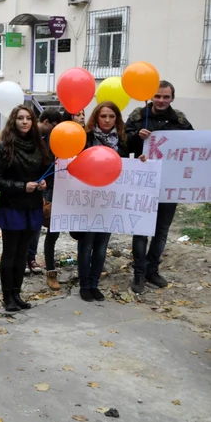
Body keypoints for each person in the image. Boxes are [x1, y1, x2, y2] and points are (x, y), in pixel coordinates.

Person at [125, 80, 193, 293]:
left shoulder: (180, 121)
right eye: (157, 96)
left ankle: (152, 269)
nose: (161, 100)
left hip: (169, 183)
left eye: (166, 97)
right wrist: (138, 137)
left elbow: (193, 147)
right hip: (143, 183)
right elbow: (124, 143)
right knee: (141, 229)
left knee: (161, 231)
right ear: (151, 97)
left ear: (172, 98)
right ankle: (139, 273)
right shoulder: (138, 116)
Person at [0, 105, 51, 312]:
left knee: (23, 253)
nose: (25, 122)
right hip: (12, 206)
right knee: (10, 252)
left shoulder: (38, 145)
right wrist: (21, 187)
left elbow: (45, 172)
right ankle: (7, 296)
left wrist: (44, 184)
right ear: (13, 122)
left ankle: (17, 293)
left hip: (32, 206)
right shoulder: (4, 146)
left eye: (28, 118)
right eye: (20, 118)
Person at [78, 102, 132, 301]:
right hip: (88, 200)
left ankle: (94, 284)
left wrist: (141, 161)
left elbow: (128, 165)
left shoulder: (123, 140)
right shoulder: (87, 137)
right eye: (103, 116)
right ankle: (84, 285)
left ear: (116, 119)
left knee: (101, 245)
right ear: (96, 118)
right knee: (86, 244)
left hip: (110, 201)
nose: (107, 120)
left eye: (111, 116)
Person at [26, 108, 63, 290]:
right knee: (34, 224)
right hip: (37, 186)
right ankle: (29, 258)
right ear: (47, 122)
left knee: (43, 225)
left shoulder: (52, 137)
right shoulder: (33, 136)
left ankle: (31, 258)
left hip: (51, 186)